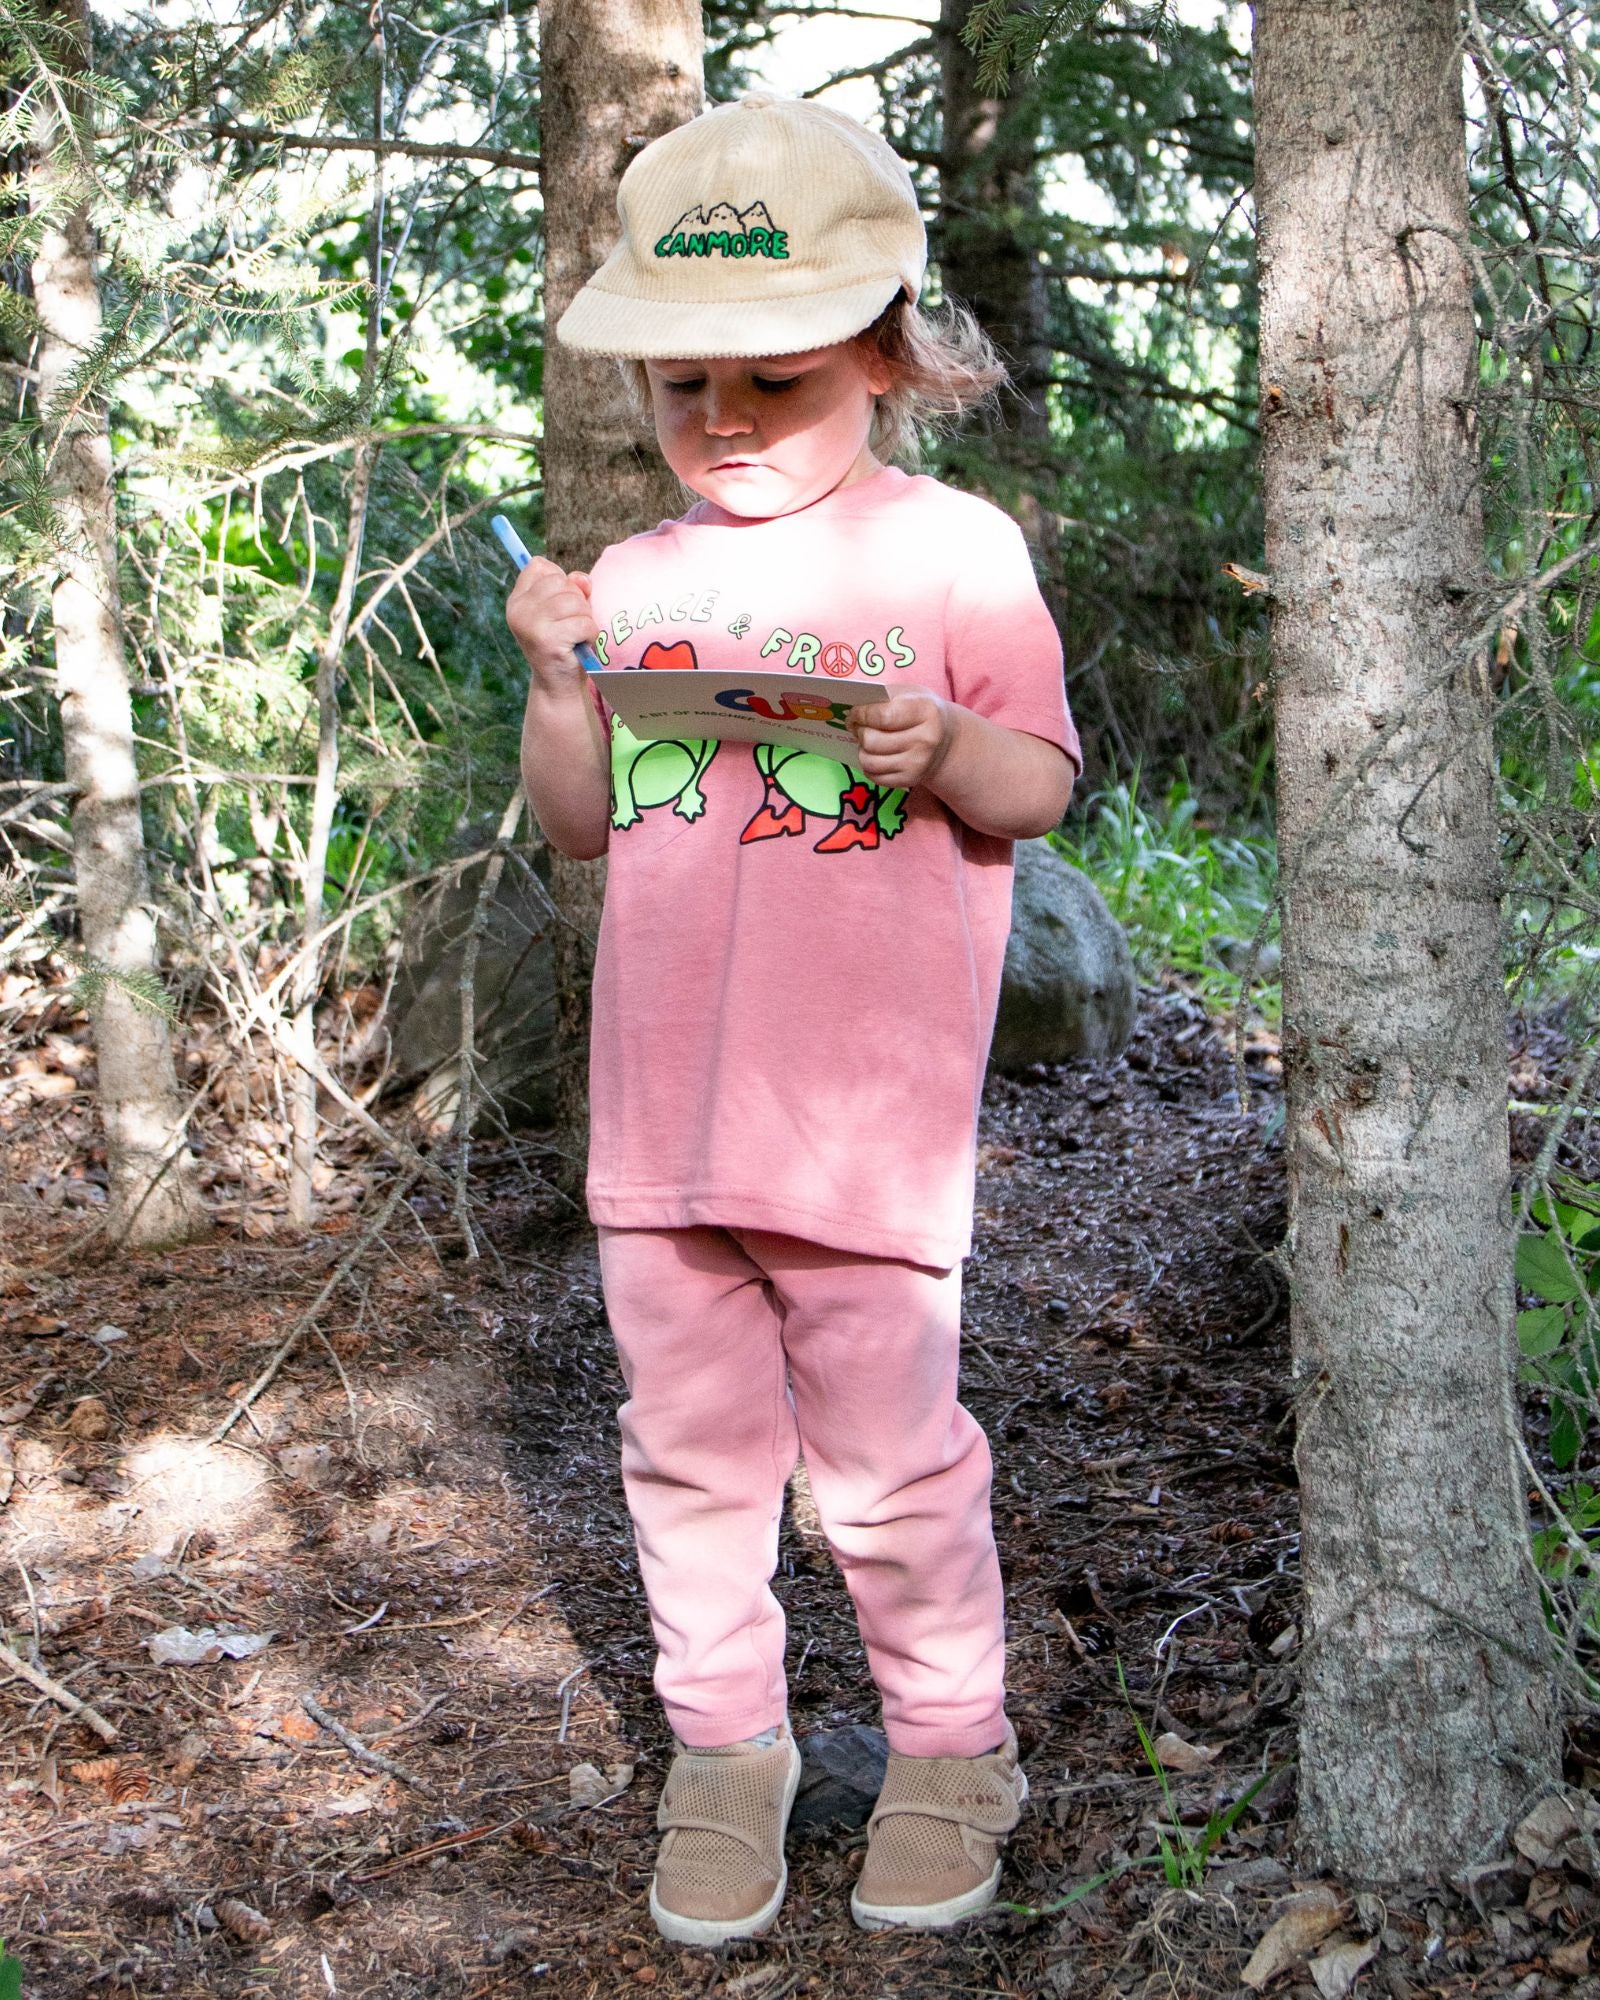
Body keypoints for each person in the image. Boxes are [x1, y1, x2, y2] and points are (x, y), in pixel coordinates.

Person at [508, 92, 1081, 1947]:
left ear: (889, 359)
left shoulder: (955, 553)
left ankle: (948, 1747)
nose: (726, 425)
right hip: (661, 1127)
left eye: (776, 381)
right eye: (687, 392)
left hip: (860, 1126)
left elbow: (1042, 787)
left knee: (895, 1466)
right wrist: (557, 683)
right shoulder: (648, 582)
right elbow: (583, 826)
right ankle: (727, 1749)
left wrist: (947, 748)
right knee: (685, 1461)